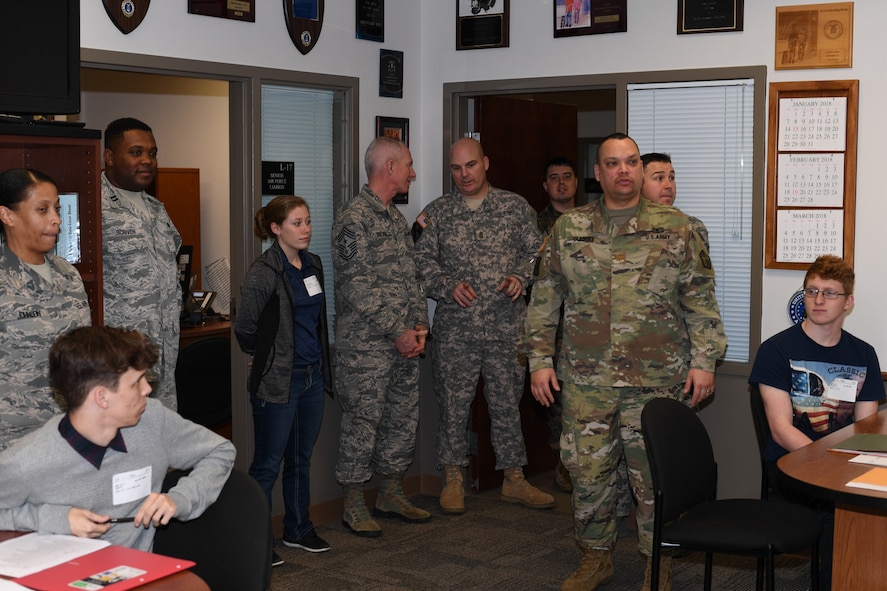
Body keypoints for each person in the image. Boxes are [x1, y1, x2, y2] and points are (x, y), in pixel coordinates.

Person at [526, 133, 726, 591]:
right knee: (588, 475)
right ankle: (596, 558)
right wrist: (539, 360)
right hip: (584, 381)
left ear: (639, 169)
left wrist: (705, 361)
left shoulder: (679, 227)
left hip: (656, 383)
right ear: (597, 174)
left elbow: (700, 300)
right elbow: (544, 299)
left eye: (631, 162)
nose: (623, 171)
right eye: (612, 163)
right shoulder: (569, 228)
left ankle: (659, 562)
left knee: (655, 478)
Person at [0, 325, 235, 552]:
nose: (147, 389)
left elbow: (219, 451)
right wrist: (55, 518)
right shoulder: (27, 461)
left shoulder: (152, 419)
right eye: (136, 382)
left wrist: (181, 499)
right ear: (102, 397)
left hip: (137, 576)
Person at [414, 137, 553, 515]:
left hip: (506, 326)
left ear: (485, 163)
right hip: (456, 329)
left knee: (507, 403)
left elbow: (537, 252)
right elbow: (419, 262)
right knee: (453, 406)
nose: (464, 175)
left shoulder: (514, 207)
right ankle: (454, 478)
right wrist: (445, 286)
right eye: (456, 169)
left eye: (471, 165)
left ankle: (514, 477)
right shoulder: (435, 213)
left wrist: (520, 277)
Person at [749, 255, 883, 590]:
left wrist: (852, 467)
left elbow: (865, 429)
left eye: (830, 293)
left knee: (873, 507)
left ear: (848, 301)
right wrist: (831, 468)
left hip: (844, 465)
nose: (819, 300)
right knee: (843, 517)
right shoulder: (776, 350)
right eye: (812, 291)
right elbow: (781, 430)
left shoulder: (863, 354)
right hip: (793, 468)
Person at [332, 137, 431, 537]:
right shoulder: (352, 219)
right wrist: (397, 331)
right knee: (363, 423)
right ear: (388, 167)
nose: (413, 172)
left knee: (401, 420)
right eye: (408, 164)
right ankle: (353, 502)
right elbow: (357, 286)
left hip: (405, 344)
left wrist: (420, 326)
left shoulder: (393, 219)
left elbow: (413, 279)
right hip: (367, 349)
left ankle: (390, 492)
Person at [235, 195, 334, 564]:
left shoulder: (314, 265)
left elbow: (316, 319)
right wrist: (269, 357)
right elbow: (245, 327)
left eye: (307, 221)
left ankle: (297, 529)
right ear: (276, 229)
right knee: (267, 463)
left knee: (299, 458)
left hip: (311, 376)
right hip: (278, 380)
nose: (305, 229)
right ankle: (258, 541)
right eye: (296, 223)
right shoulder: (263, 272)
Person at [0, 168, 91, 451]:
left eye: (56, 208)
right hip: (14, 443)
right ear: (8, 215)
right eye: (42, 209)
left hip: (70, 436)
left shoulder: (68, 274)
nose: (56, 219)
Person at [102, 117, 182, 410]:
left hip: (164, 359)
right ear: (109, 157)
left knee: (160, 444)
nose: (147, 160)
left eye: (152, 153)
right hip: (119, 364)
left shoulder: (157, 209)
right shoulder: (92, 206)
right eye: (136, 152)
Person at [537, 156, 578, 494]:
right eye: (554, 178)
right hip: (554, 330)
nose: (561, 183)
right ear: (545, 186)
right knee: (558, 404)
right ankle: (562, 464)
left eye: (567, 177)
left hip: (586, 332)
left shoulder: (591, 222)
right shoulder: (537, 225)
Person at [640, 152, 709, 249]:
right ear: (638, 184)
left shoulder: (692, 226)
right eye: (659, 178)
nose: (669, 186)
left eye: (671, 178)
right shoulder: (623, 227)